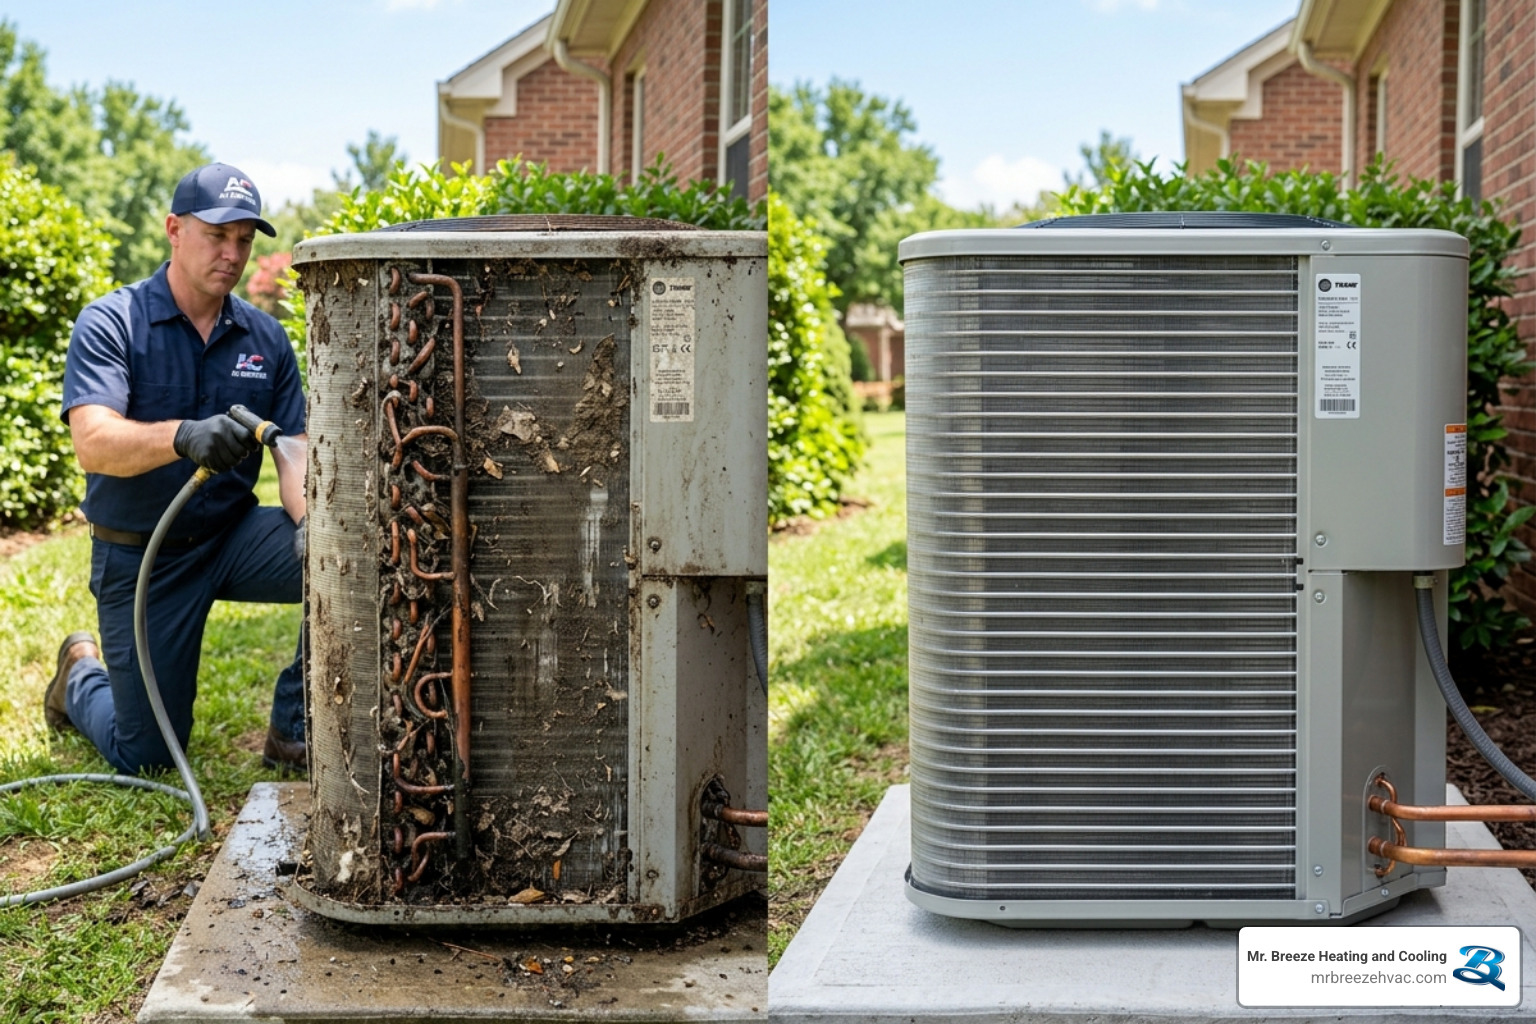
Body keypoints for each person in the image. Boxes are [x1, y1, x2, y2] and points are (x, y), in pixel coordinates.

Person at [45, 162, 308, 775]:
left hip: (232, 537)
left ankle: (293, 726)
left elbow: (294, 449)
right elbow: (94, 442)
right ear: (173, 229)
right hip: (144, 557)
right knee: (150, 757)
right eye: (217, 235)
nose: (232, 253)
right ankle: (79, 675)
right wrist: (183, 436)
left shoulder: (264, 339)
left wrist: (311, 531)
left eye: (244, 239)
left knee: (346, 562)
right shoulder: (115, 322)